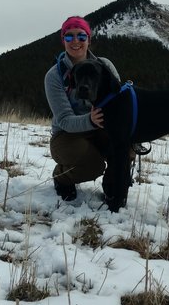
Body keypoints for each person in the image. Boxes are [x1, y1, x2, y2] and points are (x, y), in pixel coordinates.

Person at [44, 16, 120, 201]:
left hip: (102, 127)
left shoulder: (105, 65)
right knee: (93, 166)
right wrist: (90, 120)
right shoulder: (54, 76)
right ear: (63, 41)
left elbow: (119, 100)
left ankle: (113, 183)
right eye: (69, 37)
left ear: (89, 39)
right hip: (66, 135)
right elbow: (64, 120)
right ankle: (62, 177)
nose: (75, 41)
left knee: (125, 149)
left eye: (81, 36)